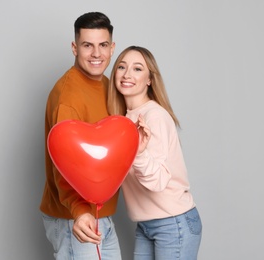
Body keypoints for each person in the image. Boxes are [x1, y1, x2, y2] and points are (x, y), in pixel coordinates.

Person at [107, 46, 202, 260]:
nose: (127, 74)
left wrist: (139, 153)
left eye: (137, 69)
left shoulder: (154, 116)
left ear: (150, 79)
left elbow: (158, 181)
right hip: (146, 225)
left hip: (173, 223)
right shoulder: (122, 120)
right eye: (122, 66)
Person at [40, 12, 121, 260]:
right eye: (88, 45)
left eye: (103, 45)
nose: (96, 54)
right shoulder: (69, 97)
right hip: (75, 218)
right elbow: (64, 163)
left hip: (99, 213)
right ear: (75, 48)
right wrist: (79, 212)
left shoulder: (108, 86)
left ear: (112, 47)